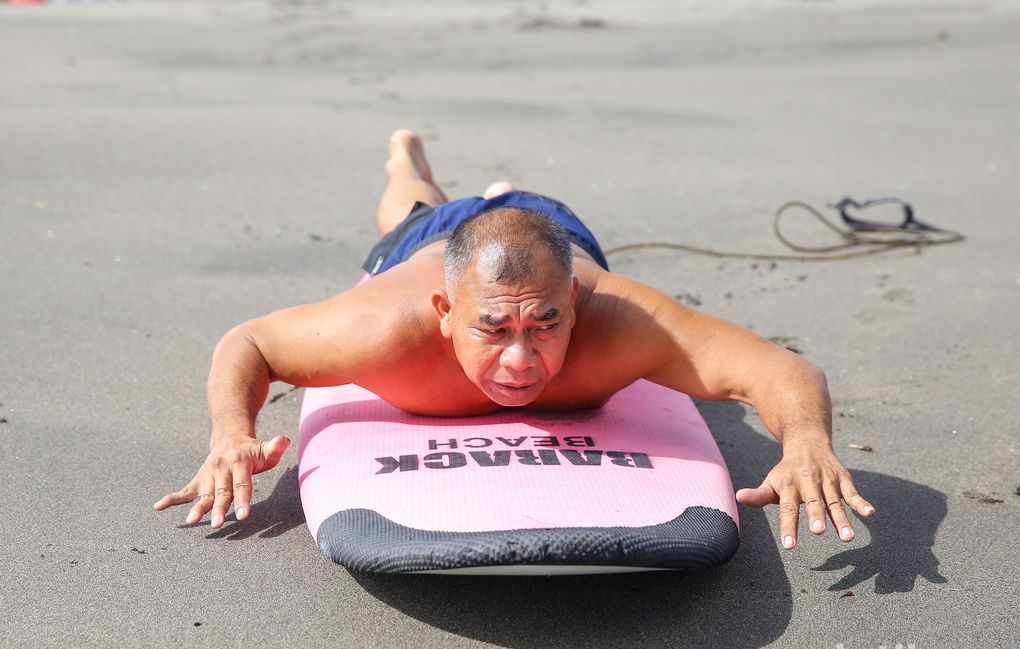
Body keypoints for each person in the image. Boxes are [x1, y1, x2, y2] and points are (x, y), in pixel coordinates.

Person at [154, 129, 875, 550]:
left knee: (522, 213)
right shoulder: (385, 329)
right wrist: (231, 432)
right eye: (493, 330)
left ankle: (507, 196)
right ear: (443, 311)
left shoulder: (619, 320)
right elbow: (250, 342)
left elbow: (778, 367)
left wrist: (806, 439)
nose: (521, 359)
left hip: (549, 230)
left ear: (575, 301)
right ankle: (407, 160)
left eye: (546, 325)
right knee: (408, 212)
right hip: (431, 249)